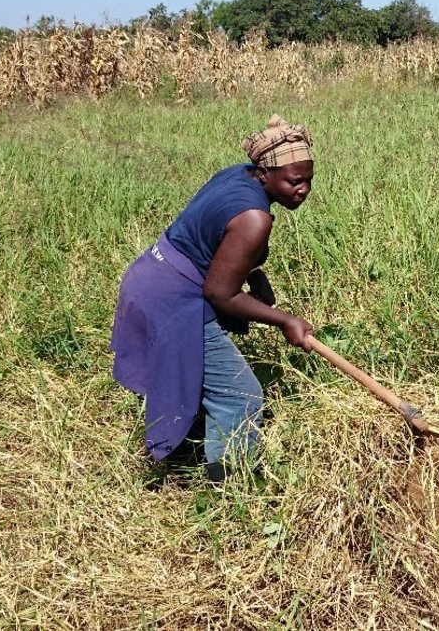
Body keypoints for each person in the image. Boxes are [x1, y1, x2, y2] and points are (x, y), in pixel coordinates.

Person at [111, 114, 315, 481]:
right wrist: (287, 321)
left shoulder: (238, 175)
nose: (303, 190)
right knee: (242, 396)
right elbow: (220, 294)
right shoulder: (255, 218)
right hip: (171, 301)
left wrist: (253, 273)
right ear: (266, 174)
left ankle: (195, 442)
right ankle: (230, 489)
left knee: (212, 377)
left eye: (308, 181)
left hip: (148, 277)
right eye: (295, 181)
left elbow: (214, 239)